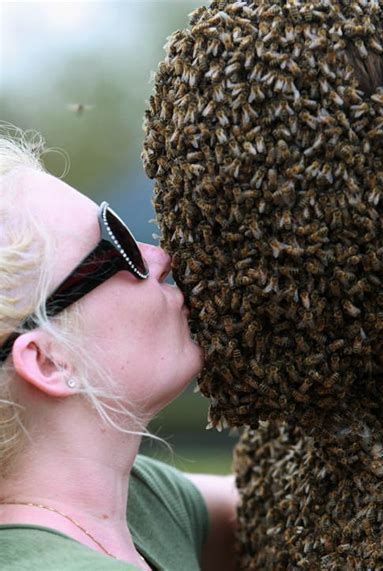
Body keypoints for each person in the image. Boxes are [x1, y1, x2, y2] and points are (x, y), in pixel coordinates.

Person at [0, 129, 239, 571]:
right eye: (120, 246)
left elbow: (301, 507)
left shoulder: (137, 505)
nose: (161, 258)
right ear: (49, 361)